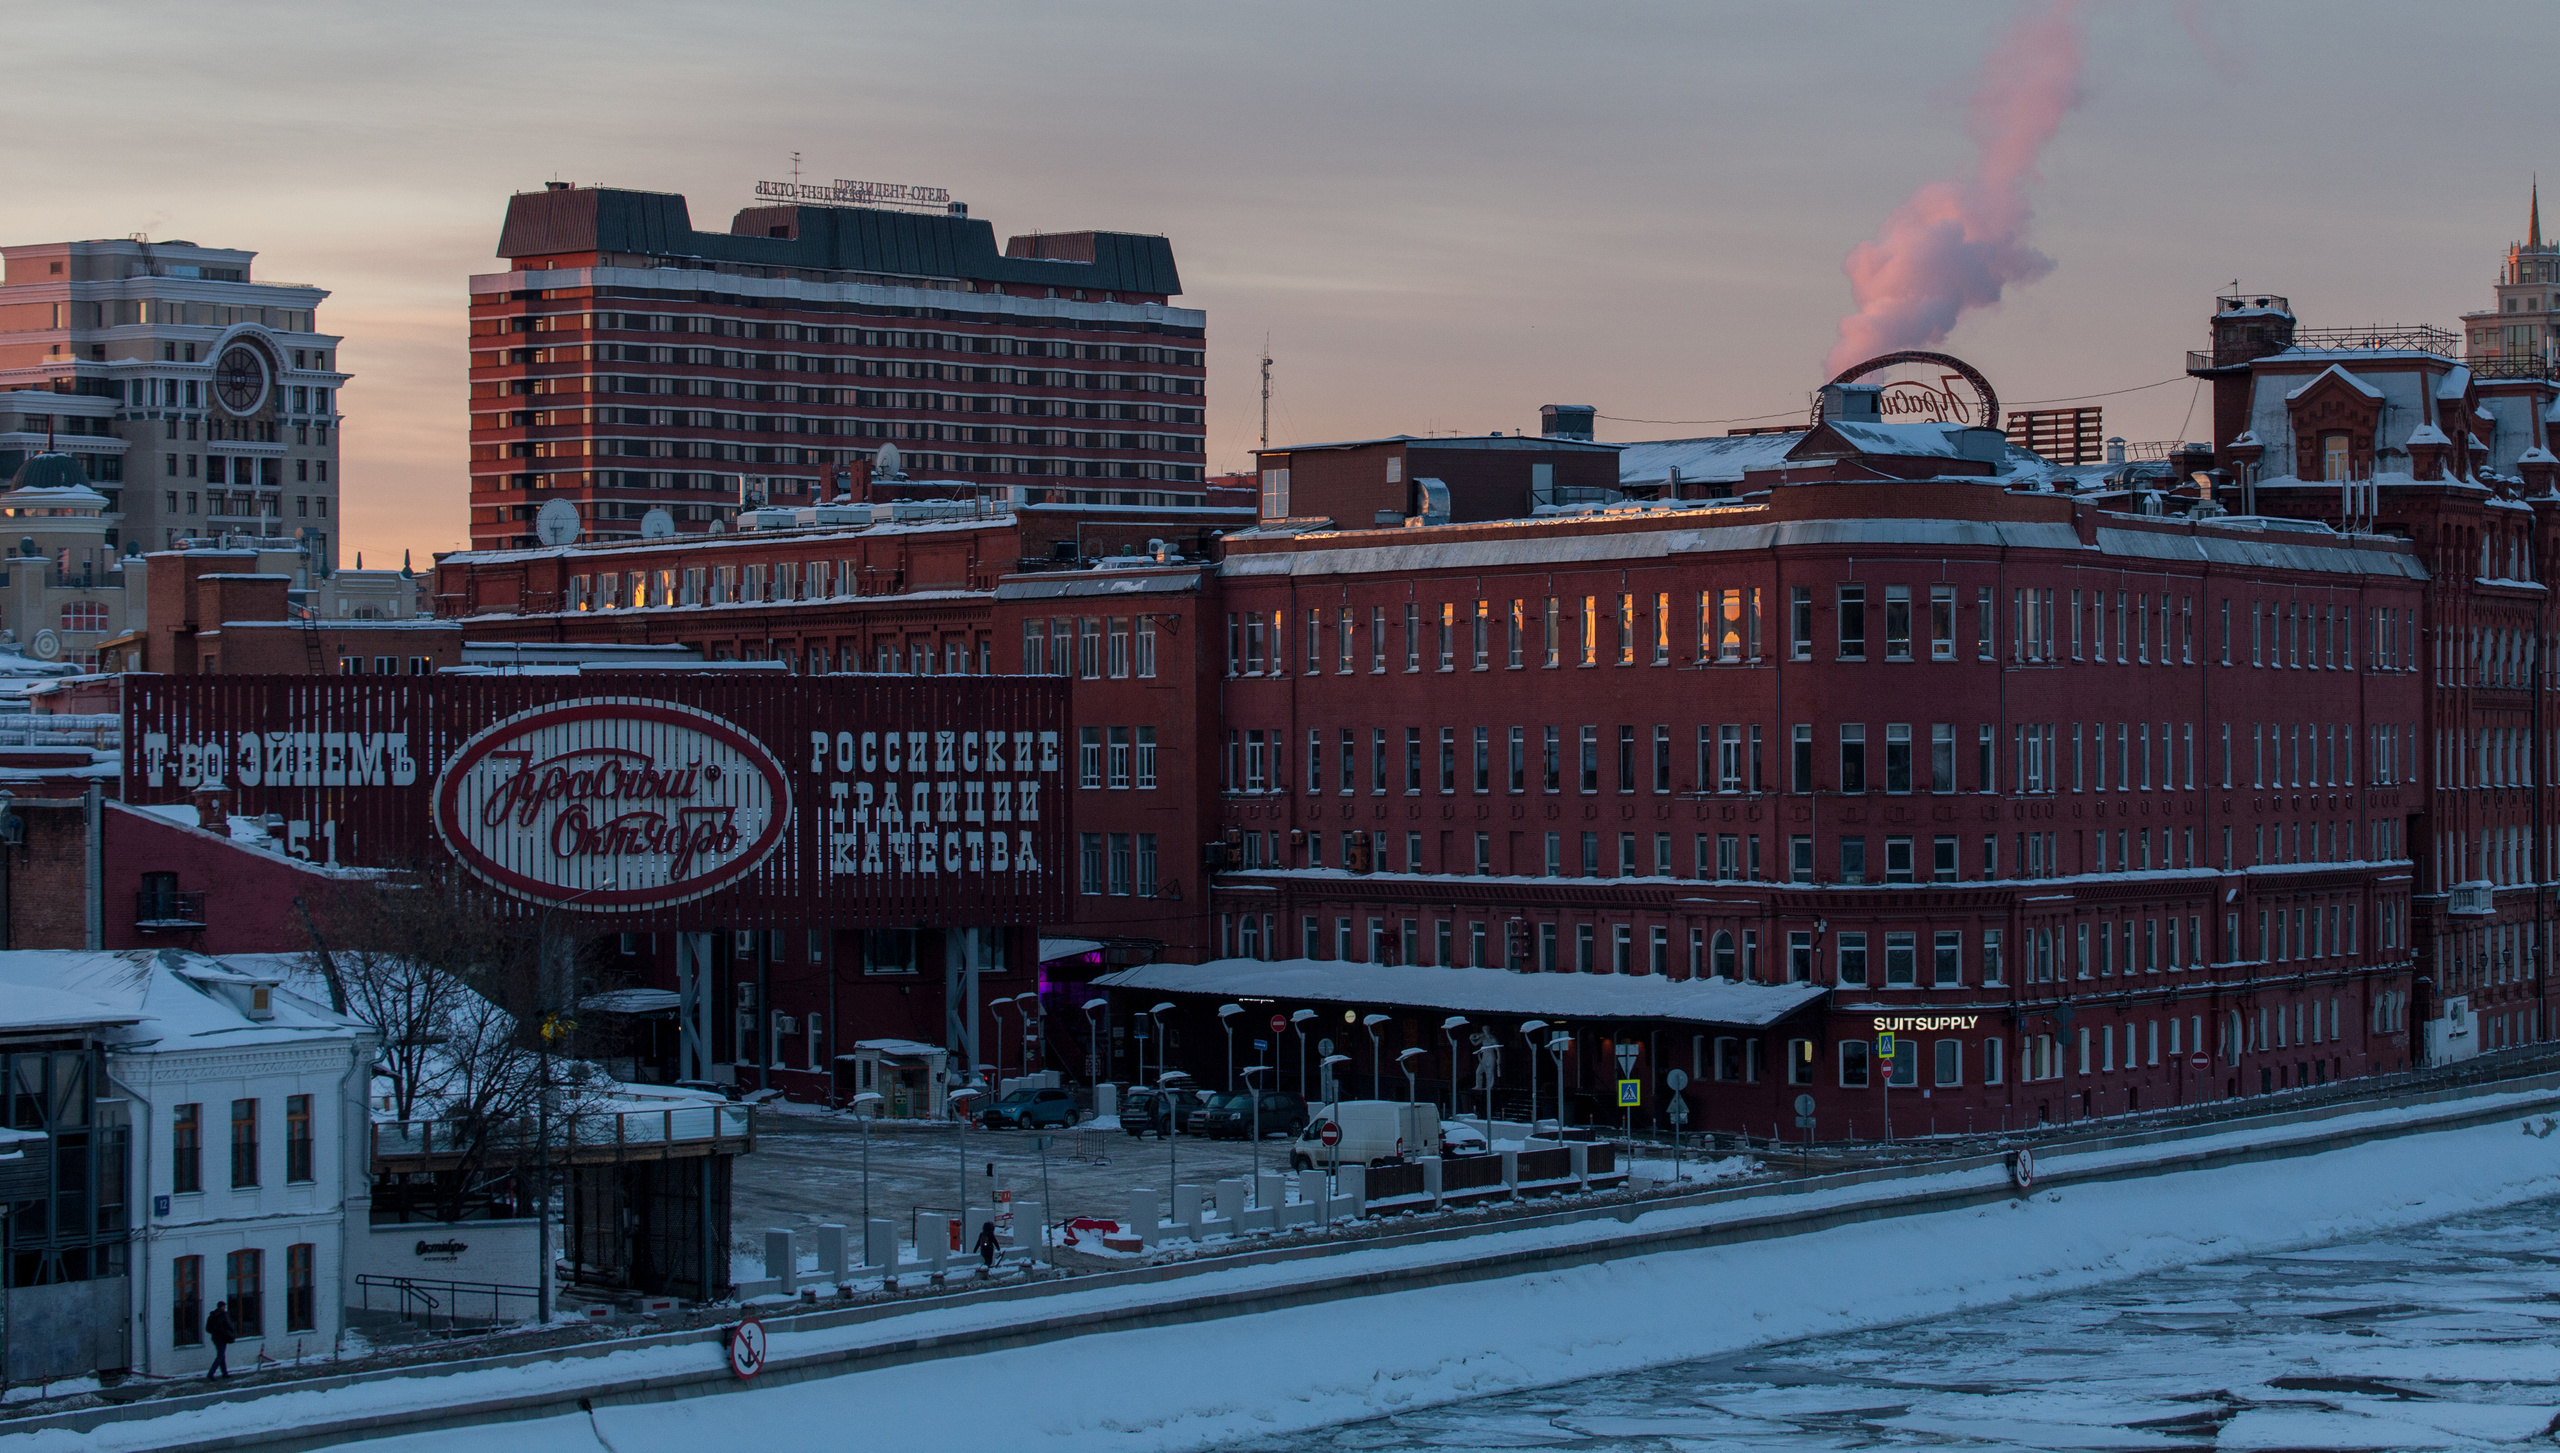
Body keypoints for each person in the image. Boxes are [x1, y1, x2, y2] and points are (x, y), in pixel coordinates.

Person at [204, 1298, 236, 1379]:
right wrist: (231, 1331)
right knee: (220, 1355)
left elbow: (208, 1328)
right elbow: (229, 1325)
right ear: (223, 1307)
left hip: (215, 1338)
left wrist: (215, 1332)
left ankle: (224, 1373)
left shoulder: (211, 1316)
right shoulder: (223, 1314)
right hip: (223, 1337)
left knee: (221, 1355)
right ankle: (211, 1373)